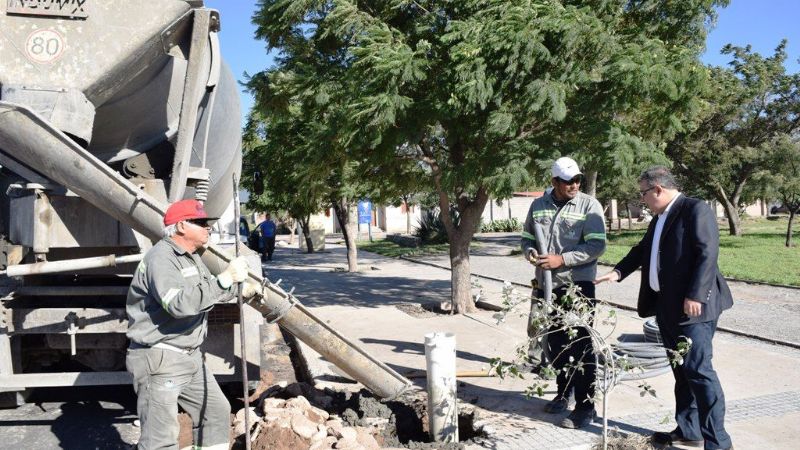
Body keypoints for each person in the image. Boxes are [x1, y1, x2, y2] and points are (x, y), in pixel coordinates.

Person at [595, 166, 733, 450]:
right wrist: (618, 272)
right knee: (681, 372)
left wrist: (696, 295)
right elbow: (642, 250)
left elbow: (708, 253)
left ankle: (719, 442)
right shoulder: (659, 217)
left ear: (658, 189)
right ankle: (689, 430)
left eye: (643, 193)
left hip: (694, 309)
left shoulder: (694, 210)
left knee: (699, 371)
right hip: (667, 308)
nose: (642, 199)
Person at [126, 199, 262, 450]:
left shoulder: (190, 258)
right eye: (200, 223)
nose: (207, 228)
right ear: (180, 227)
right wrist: (224, 279)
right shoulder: (161, 259)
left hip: (188, 357)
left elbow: (203, 292)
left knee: (216, 412)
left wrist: (236, 290)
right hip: (161, 357)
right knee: (160, 438)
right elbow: (179, 304)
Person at [520, 156, 606, 429]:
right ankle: (563, 392)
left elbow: (597, 246)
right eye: (569, 181)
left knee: (581, 347)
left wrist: (563, 259)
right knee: (555, 345)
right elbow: (527, 237)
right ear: (554, 181)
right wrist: (530, 252)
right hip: (547, 287)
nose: (575, 184)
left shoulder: (588, 205)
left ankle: (585, 406)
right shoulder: (538, 206)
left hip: (577, 286)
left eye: (577, 179)